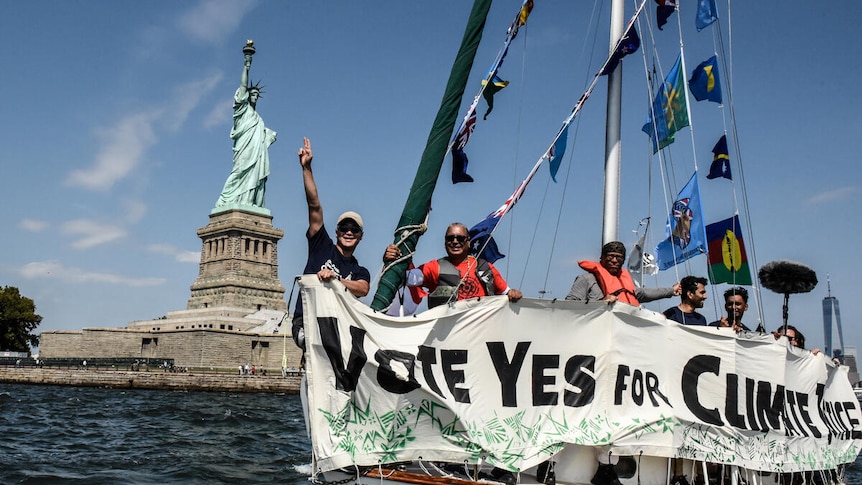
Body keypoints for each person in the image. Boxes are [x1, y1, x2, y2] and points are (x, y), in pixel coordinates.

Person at [291, 138, 371, 350]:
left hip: (337, 328)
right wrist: (307, 168)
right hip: (307, 323)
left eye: (354, 230)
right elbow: (314, 205)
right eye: (344, 228)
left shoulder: (359, 270)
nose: (348, 232)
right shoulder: (321, 245)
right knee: (316, 346)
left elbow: (363, 289)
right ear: (336, 232)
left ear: (360, 236)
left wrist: (336, 280)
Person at [384, 223, 522, 308]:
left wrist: (514, 294)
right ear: (445, 242)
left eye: (460, 238)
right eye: (450, 238)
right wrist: (390, 261)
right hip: (447, 340)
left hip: (481, 337)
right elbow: (403, 277)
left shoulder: (486, 268)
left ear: (469, 242)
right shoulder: (434, 267)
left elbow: (507, 293)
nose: (455, 242)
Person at [215, 41, 277, 209]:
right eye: (252, 93)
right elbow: (243, 85)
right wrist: (247, 65)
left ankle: (249, 202)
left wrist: (267, 136)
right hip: (245, 149)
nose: (255, 96)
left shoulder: (258, 117)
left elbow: (263, 136)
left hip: (256, 153)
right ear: (246, 96)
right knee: (239, 172)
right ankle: (226, 200)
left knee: (254, 175)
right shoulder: (242, 110)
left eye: (257, 94)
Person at [565, 241, 680, 304]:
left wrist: (671, 290)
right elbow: (569, 305)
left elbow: (643, 293)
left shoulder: (626, 281)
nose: (614, 260)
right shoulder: (586, 279)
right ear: (602, 257)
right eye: (610, 257)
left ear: (623, 260)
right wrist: (601, 303)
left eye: (619, 258)